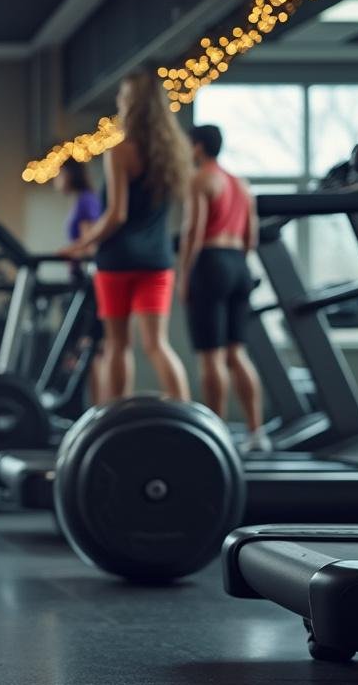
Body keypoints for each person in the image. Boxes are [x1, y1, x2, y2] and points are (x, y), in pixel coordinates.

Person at [61, 71, 191, 404]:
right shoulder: (172, 154)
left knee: (117, 345)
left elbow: (117, 214)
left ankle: (116, 417)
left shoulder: (120, 150)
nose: (119, 101)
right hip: (157, 260)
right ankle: (187, 416)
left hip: (117, 261)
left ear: (131, 105)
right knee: (157, 344)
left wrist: (83, 244)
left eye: (122, 97)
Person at [179, 124, 270, 452]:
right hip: (238, 264)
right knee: (236, 353)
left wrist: (184, 275)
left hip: (210, 260)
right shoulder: (241, 185)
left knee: (211, 357)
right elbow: (251, 238)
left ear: (199, 147)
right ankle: (256, 432)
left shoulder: (201, 179)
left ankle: (215, 434)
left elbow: (193, 230)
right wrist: (236, 266)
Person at [54, 158, 106, 404]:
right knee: (87, 350)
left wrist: (69, 251)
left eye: (59, 175)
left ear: (70, 174)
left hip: (88, 282)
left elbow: (90, 246)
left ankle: (97, 409)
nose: (56, 181)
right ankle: (91, 409)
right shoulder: (81, 201)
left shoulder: (86, 201)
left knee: (91, 349)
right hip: (80, 281)